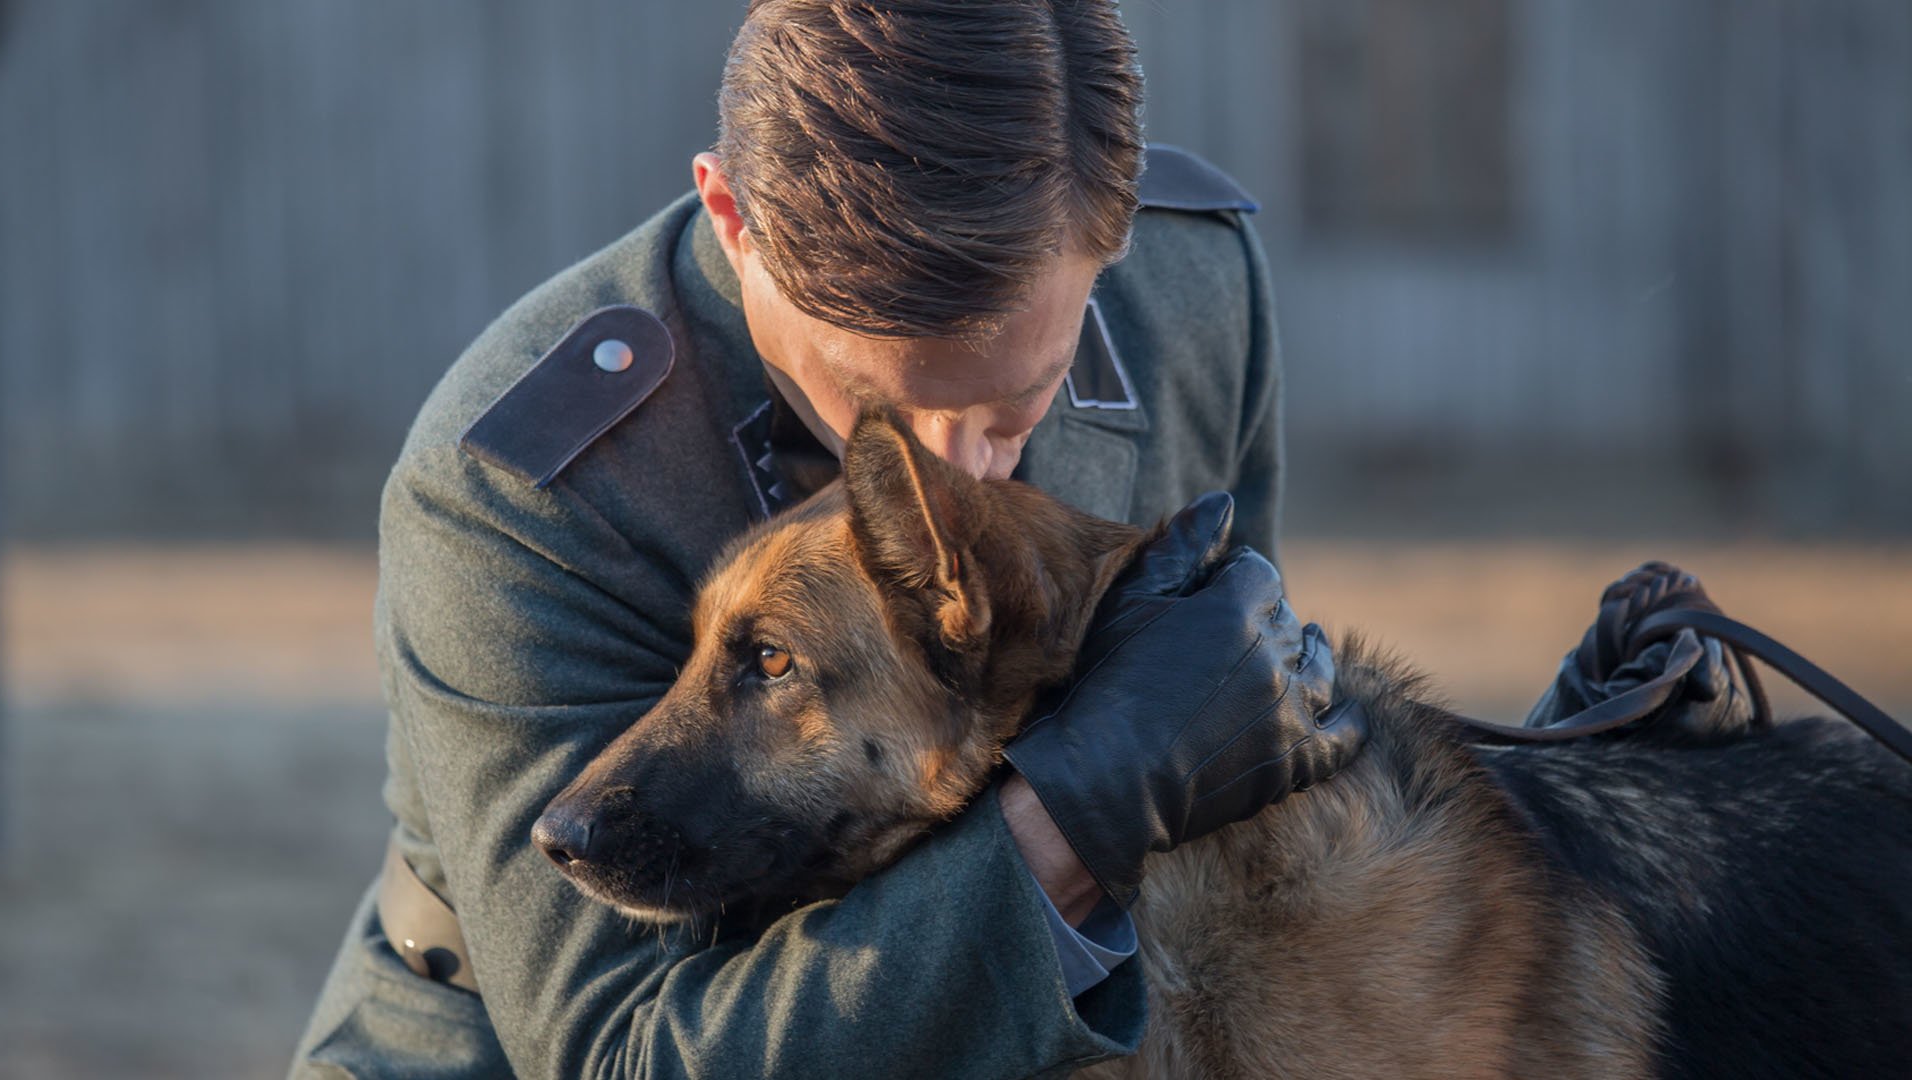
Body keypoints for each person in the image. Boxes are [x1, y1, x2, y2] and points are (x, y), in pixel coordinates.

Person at [290, 2, 1363, 1077]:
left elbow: (1239, 778)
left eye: (1017, 402)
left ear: (1115, 238)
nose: (958, 473)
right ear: (732, 218)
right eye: (871, 397)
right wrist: (1079, 820)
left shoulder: (1190, 288)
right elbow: (624, 1055)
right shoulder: (522, 485)